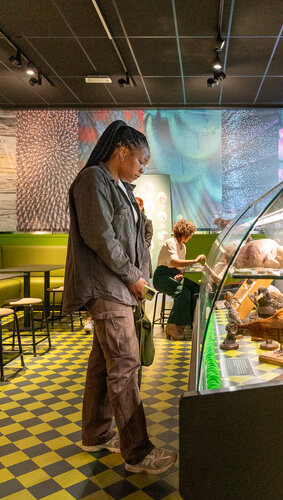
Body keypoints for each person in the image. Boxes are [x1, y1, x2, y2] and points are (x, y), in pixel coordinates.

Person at [63, 120, 177, 474]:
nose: (143, 168)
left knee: (103, 364)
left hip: (119, 288)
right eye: (141, 161)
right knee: (125, 367)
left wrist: (143, 230)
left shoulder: (121, 189)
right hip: (107, 289)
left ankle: (96, 433)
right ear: (121, 150)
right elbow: (102, 239)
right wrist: (133, 278)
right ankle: (138, 452)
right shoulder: (93, 179)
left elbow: (131, 243)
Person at [152, 220, 206, 340]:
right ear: (184, 233)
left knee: (195, 288)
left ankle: (189, 323)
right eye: (190, 234)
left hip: (173, 274)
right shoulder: (170, 242)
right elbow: (174, 261)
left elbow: (180, 267)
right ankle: (172, 326)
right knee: (183, 292)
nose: (191, 236)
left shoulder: (183, 246)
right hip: (162, 277)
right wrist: (195, 261)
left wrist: (181, 273)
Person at [136, 197, 153, 277]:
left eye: (137, 205)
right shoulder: (130, 221)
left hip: (143, 254)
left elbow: (148, 240)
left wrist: (140, 249)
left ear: (141, 207)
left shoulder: (148, 222)